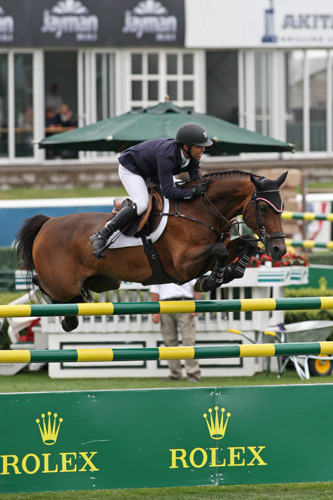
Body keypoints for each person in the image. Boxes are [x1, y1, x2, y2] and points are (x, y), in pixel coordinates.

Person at [90, 122, 213, 258]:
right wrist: (192, 192)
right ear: (186, 146)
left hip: (152, 172)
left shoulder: (193, 157)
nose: (203, 150)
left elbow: (197, 182)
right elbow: (169, 192)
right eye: (200, 146)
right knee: (142, 204)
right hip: (132, 169)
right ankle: (102, 234)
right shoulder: (167, 156)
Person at [151, 281, 201, 382]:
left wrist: (196, 306)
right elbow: (155, 289)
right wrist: (155, 311)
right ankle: (175, 373)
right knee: (169, 341)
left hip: (185, 303)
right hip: (164, 305)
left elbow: (195, 287)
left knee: (188, 340)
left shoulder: (186, 265)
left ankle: (193, 373)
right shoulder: (159, 268)